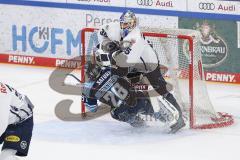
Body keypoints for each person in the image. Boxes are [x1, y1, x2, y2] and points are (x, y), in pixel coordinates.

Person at [92, 10, 185, 133]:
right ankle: (136, 117)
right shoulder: (113, 28)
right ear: (120, 23)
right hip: (131, 62)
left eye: (130, 24)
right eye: (125, 24)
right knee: (121, 86)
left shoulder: (135, 37)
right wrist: (107, 43)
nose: (127, 27)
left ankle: (179, 119)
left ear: (134, 23)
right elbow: (101, 32)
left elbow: (125, 62)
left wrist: (110, 56)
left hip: (148, 63)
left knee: (161, 88)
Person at [0, 82, 34, 160]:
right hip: (7, 119)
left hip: (21, 122)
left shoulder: (2, 96)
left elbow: (2, 124)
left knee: (5, 158)